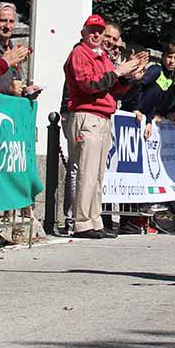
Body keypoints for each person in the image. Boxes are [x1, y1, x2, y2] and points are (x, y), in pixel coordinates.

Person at [63, 14, 148, 239]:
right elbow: (89, 84)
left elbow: (115, 88)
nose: (97, 34)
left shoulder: (101, 56)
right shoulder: (79, 54)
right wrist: (120, 72)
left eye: (99, 31)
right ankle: (82, 222)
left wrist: (131, 75)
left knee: (98, 174)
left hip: (101, 117)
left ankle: (94, 219)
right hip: (87, 115)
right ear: (83, 32)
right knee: (86, 171)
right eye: (93, 30)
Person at [0, 2, 37, 97]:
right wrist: (8, 89)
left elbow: (14, 81)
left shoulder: (12, 47)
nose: (7, 26)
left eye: (11, 21)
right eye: (3, 21)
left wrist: (25, 91)